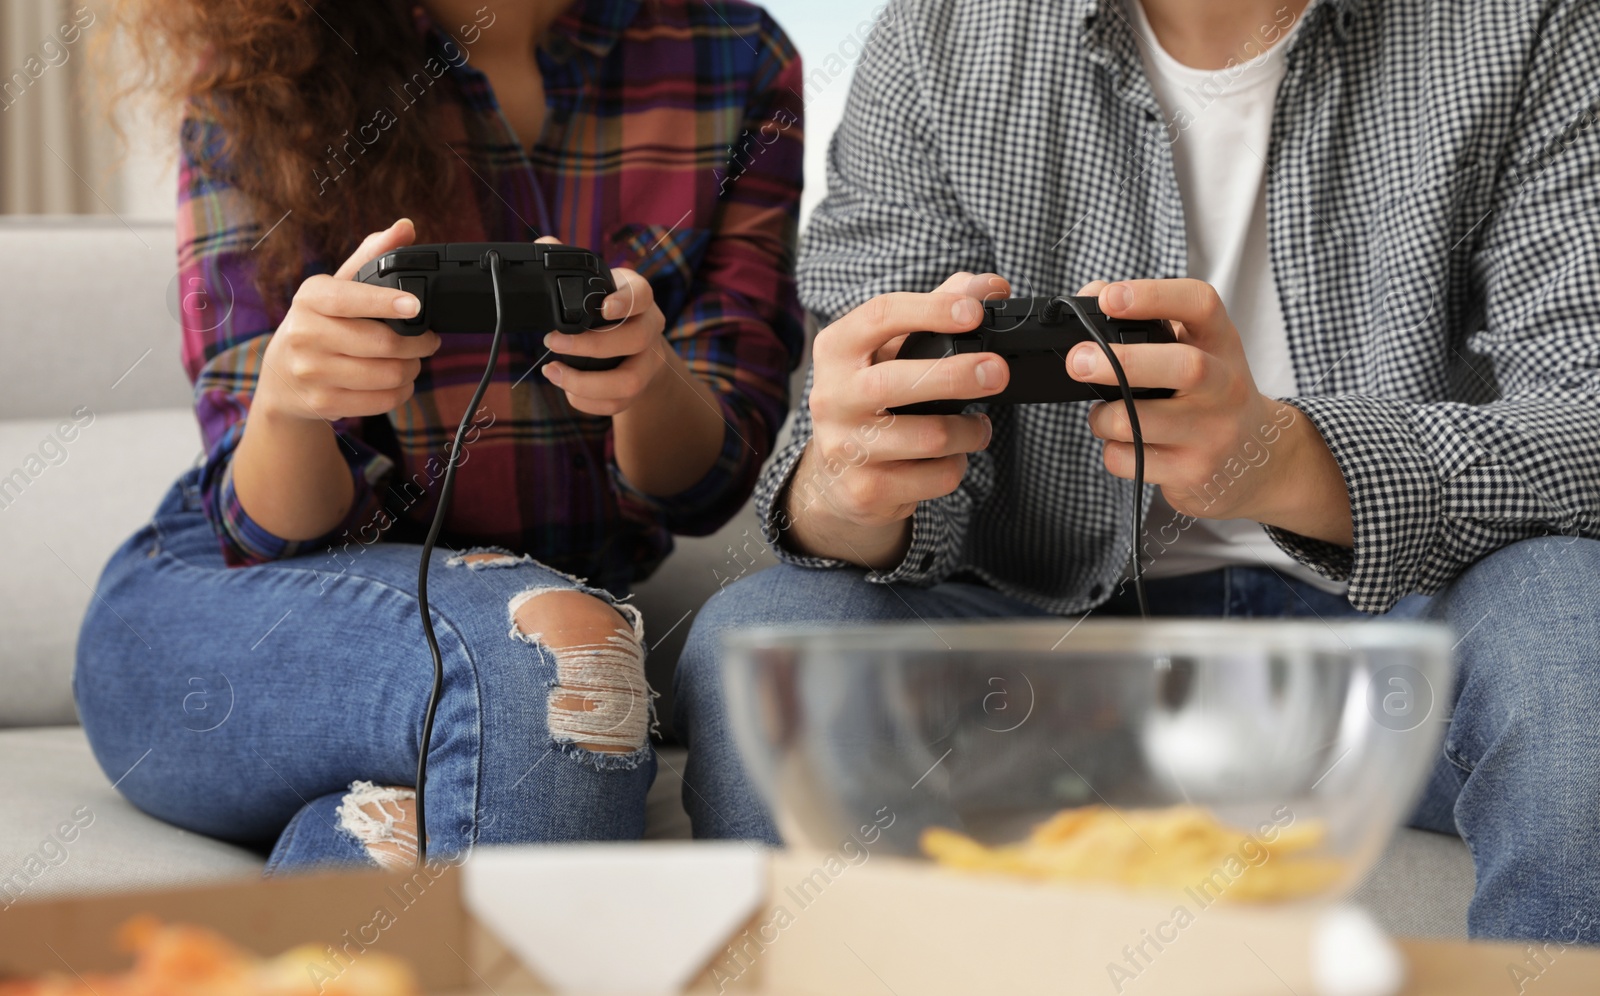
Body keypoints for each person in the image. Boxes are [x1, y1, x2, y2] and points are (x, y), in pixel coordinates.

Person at [676, 0, 1600, 945]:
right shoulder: (938, 36)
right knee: (764, 630)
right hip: (1055, 655)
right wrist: (849, 490)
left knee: (1573, 626)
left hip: (1397, 651)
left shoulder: (1529, 24)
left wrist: (1287, 460)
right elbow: (842, 464)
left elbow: (1587, 415)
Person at [75, 0, 802, 872]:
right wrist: (289, 406)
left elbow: (708, 483)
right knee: (566, 662)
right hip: (223, 599)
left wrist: (648, 380)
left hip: (515, 618)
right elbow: (261, 523)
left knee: (401, 834)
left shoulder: (735, 58)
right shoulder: (261, 79)